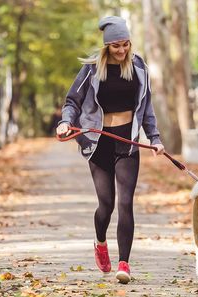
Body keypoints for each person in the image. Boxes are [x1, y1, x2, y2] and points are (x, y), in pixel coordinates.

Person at [56, 16, 165, 284]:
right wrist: (65, 122)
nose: (121, 50)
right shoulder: (93, 69)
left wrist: (154, 138)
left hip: (127, 141)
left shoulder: (139, 67)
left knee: (126, 203)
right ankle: (100, 240)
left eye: (125, 44)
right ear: (106, 47)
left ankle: (124, 263)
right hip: (98, 141)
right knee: (106, 204)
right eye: (116, 46)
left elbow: (147, 108)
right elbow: (73, 101)